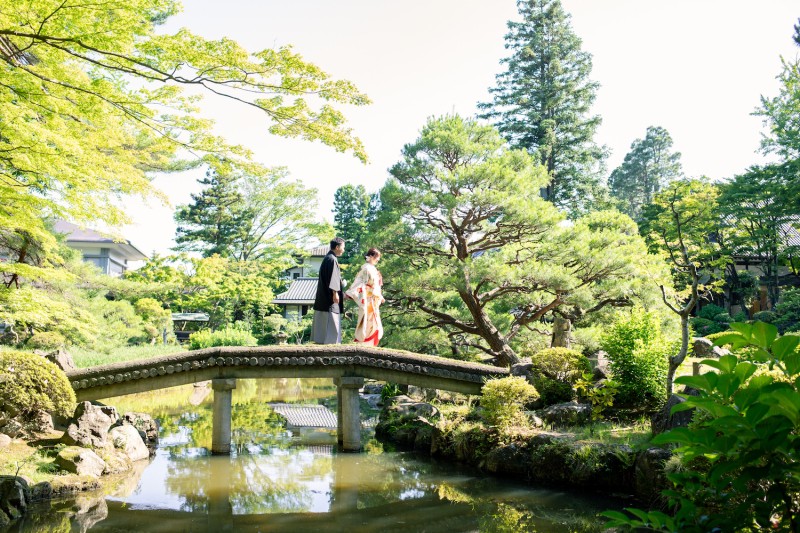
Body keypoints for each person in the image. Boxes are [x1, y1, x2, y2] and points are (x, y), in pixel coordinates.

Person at [345, 248, 384, 346]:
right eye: (376, 257)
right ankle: (363, 344)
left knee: (373, 322)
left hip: (373, 300)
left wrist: (379, 296)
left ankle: (369, 345)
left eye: (378, 258)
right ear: (370, 256)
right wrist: (350, 293)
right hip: (367, 299)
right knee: (366, 321)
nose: (378, 259)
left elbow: (376, 286)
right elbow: (358, 283)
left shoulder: (372, 269)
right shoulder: (366, 269)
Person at [311, 237, 345, 344]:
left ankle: (322, 344)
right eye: (343, 248)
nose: (343, 250)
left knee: (322, 328)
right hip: (329, 300)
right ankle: (330, 346)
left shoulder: (328, 258)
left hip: (323, 299)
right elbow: (332, 278)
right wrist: (335, 293)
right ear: (337, 247)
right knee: (330, 326)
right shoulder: (332, 259)